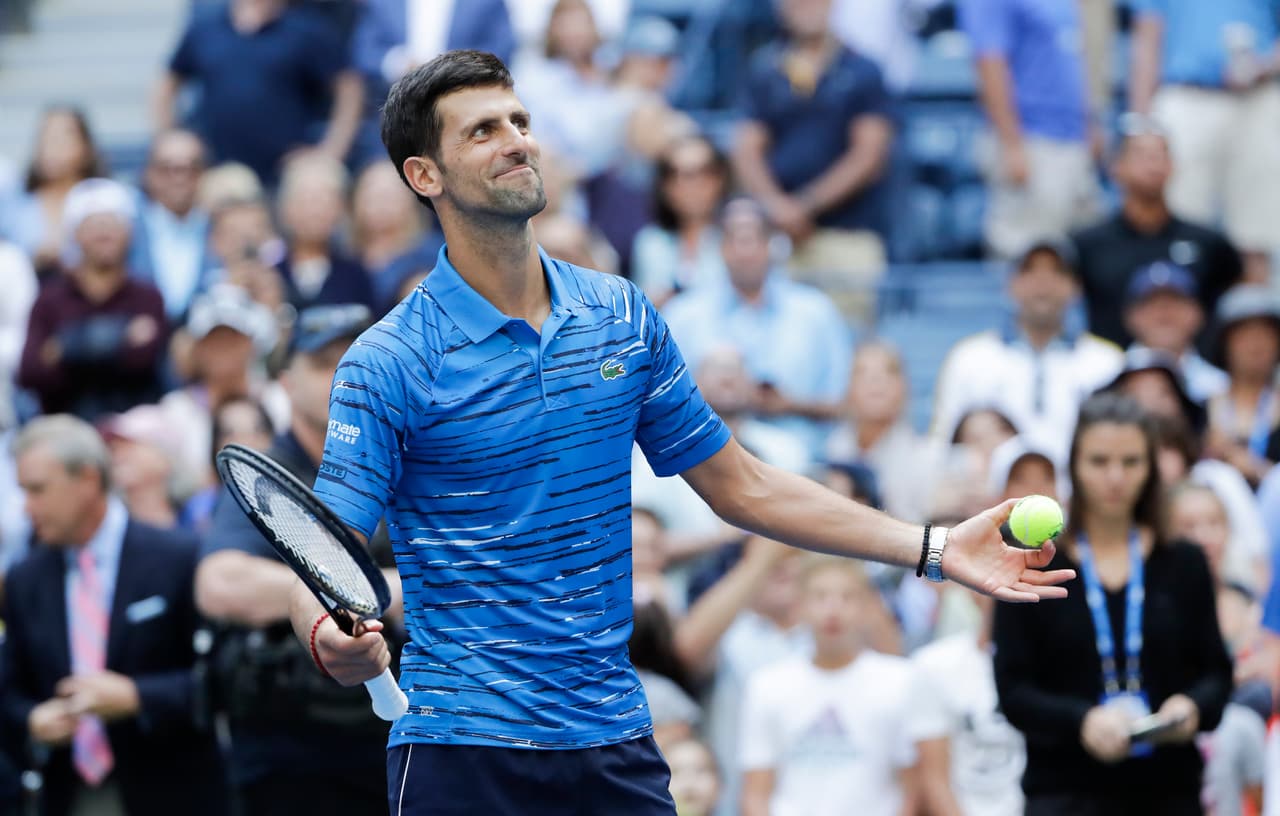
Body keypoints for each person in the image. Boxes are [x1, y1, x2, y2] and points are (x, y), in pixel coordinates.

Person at [289, 50, 1072, 815]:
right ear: (424, 175)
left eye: (519, 119)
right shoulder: (386, 361)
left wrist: (932, 548)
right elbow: (320, 563)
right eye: (482, 130)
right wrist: (329, 633)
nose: (517, 139)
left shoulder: (620, 316)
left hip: (614, 741)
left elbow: (744, 485)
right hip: (464, 750)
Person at [195, 303, 398, 816]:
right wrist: (383, 590)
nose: (348, 373)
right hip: (295, 748)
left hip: (401, 735)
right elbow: (219, 582)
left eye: (362, 358)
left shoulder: (415, 460)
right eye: (326, 361)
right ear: (285, 382)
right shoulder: (270, 473)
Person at [993, 392, 1233, 814]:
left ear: (1151, 468)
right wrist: (1080, 720)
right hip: (1063, 793)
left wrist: (1190, 708)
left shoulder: (1184, 561)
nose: (1115, 478)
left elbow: (1216, 672)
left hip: (1168, 792)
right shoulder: (1035, 559)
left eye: (1131, 462)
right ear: (1074, 465)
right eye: (1099, 461)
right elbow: (1013, 690)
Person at [0, 414, 228, 816]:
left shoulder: (178, 556)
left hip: (171, 788)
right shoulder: (25, 579)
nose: (27, 508)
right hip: (71, 792)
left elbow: (222, 678)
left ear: (88, 480)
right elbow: (9, 687)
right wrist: (32, 719)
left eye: (37, 490)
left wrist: (138, 697)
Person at [734, 0, 894, 322]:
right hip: (779, 237)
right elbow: (746, 148)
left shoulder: (863, 70)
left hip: (847, 235)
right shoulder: (765, 69)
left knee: (850, 341)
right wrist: (776, 206)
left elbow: (869, 155)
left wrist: (803, 206)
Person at [739, 556, 937, 816]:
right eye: (820, 597)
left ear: (868, 607)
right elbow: (756, 791)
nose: (833, 609)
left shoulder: (900, 680)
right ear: (799, 607)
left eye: (847, 597)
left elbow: (913, 788)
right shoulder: (766, 686)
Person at [662, 197, 852, 458]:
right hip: (700, 462)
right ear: (720, 246)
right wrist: (716, 396)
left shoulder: (816, 312)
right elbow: (661, 402)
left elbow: (846, 405)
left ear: (773, 244)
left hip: (801, 463)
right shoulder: (683, 314)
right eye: (735, 239)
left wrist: (789, 405)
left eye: (755, 238)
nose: (745, 250)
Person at [1128, 0, 1280, 284]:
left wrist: (1266, 66)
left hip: (1257, 99)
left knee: (1255, 236)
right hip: (1186, 95)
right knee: (1178, 230)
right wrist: (1141, 123)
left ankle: (1251, 321)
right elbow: (1147, 37)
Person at [1071, 115, 1242, 351]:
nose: (1153, 163)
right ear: (1115, 166)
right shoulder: (1087, 245)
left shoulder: (1208, 244)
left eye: (1161, 154)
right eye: (1141, 155)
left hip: (1190, 378)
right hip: (1109, 374)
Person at [931, 240, 1122, 448]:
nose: (1043, 284)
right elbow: (943, 440)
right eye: (1030, 271)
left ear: (1076, 287)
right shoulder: (969, 358)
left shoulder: (1107, 362)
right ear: (1010, 284)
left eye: (1056, 272)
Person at [155, 0, 364, 187]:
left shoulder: (307, 30)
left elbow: (349, 88)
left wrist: (331, 152)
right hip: (218, 173)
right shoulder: (205, 28)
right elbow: (167, 84)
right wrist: (173, 139)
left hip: (285, 176)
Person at [958, 0, 1101, 260]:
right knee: (1026, 256)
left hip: (1071, 139)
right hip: (1031, 140)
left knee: (1080, 259)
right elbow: (989, 63)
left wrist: (1088, 125)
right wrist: (1012, 145)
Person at [17, 179, 168, 422]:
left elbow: (144, 362)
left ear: (129, 231)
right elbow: (31, 373)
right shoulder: (50, 298)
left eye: (113, 223)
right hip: (63, 425)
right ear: (75, 233)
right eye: (94, 225)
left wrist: (65, 347)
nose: (104, 234)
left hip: (134, 427)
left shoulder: (148, 296)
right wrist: (121, 336)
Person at [826, 339, 938, 522]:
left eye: (889, 371)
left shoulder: (926, 456)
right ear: (848, 388)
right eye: (862, 373)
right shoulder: (837, 445)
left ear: (904, 388)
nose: (876, 380)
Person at [0, 106, 108, 276]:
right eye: (45, 138)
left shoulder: (106, 200)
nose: (50, 147)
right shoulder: (14, 200)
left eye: (61, 138)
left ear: (86, 147)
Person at [128, 129, 218, 321]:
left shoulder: (220, 228)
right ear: (149, 173)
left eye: (190, 168)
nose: (179, 178)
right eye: (167, 169)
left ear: (204, 173)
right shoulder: (128, 229)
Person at [631, 135, 731, 306]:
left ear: (720, 179)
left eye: (703, 172)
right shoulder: (649, 243)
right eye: (676, 175)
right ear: (664, 187)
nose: (690, 185)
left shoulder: (740, 238)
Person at [274, 153, 375, 311]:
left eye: (324, 201)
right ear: (286, 208)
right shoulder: (271, 273)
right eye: (306, 200)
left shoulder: (355, 275)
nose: (315, 211)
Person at [1205, 284, 1280, 488]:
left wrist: (1258, 470)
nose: (1255, 344)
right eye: (1244, 334)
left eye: (1266, 334)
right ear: (1224, 342)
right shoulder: (1198, 406)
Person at [1122, 260, 1228, 402]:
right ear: (1131, 316)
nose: (1164, 313)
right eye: (1151, 302)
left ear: (1198, 313)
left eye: (1175, 301)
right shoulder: (1107, 378)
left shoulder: (1221, 387)